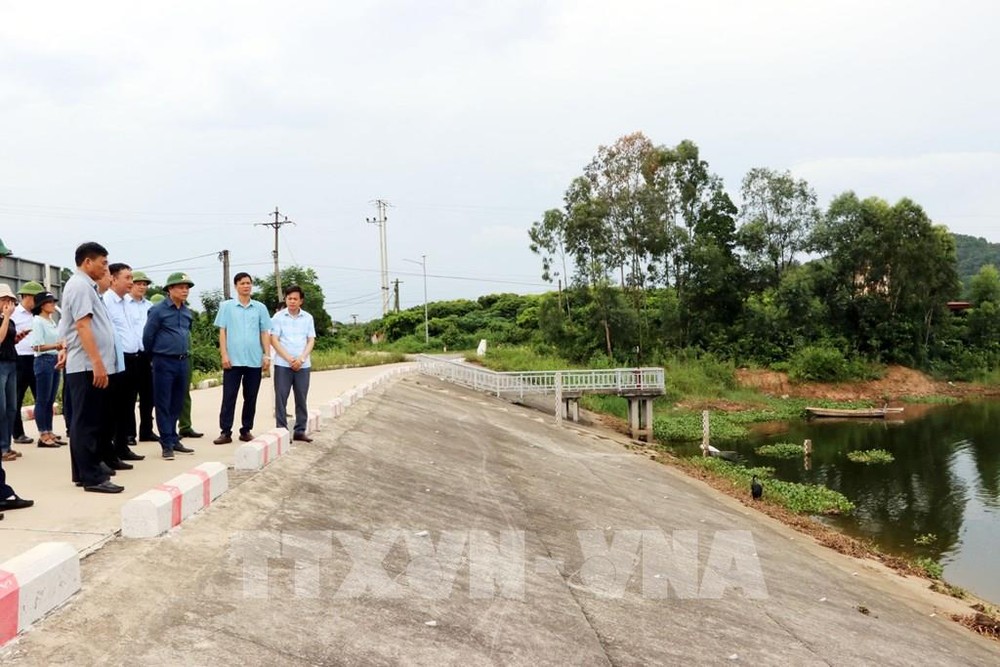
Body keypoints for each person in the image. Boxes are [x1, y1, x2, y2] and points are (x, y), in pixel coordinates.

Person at [61, 242, 124, 493]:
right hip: (87, 365)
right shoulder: (79, 286)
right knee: (86, 423)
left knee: (87, 421)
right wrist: (97, 363)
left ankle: (84, 471)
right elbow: (83, 326)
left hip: (89, 364)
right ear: (88, 262)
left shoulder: (87, 287)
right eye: (103, 263)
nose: (105, 267)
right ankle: (92, 477)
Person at [143, 273, 196, 460]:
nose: (185, 290)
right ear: (170, 289)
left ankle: (174, 438)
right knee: (163, 402)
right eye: (180, 287)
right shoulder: (158, 310)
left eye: (187, 287)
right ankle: (166, 443)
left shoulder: (187, 311)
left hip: (183, 361)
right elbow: (148, 336)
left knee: (177, 401)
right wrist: (152, 357)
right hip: (164, 361)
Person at [213, 272, 270, 444]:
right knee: (229, 396)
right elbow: (222, 331)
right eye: (242, 283)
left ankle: (246, 430)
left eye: (248, 283)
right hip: (233, 360)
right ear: (236, 286)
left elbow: (264, 332)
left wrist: (267, 355)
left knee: (251, 397)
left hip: (254, 360)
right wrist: (224, 354)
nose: (246, 286)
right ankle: (225, 431)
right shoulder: (226, 307)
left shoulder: (260, 308)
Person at [102, 262, 144, 463]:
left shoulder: (128, 301)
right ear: (113, 278)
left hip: (134, 359)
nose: (131, 282)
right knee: (113, 408)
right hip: (117, 360)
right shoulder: (106, 301)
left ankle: (122, 447)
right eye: (127, 278)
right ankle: (110, 452)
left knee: (127, 406)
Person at [0, 282, 34, 512]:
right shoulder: (5, 318)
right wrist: (5, 318)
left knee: (11, 408)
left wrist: (18, 336)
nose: (8, 303)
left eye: (10, 300)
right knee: (1, 408)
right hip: (0, 365)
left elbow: (8, 339)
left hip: (12, 362)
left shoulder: (9, 319)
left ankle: (6, 445)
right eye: (4, 299)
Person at [270, 285, 316, 442]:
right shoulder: (278, 318)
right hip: (283, 364)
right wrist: (289, 359)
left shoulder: (308, 318)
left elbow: (311, 340)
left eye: (295, 299)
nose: (292, 301)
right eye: (289, 298)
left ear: (301, 301)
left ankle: (300, 430)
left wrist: (301, 358)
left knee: (301, 398)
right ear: (286, 299)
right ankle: (281, 432)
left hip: (303, 365)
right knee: (281, 398)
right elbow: (274, 340)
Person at [29, 291, 65, 448]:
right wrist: (56, 345)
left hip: (54, 359)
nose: (53, 304)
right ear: (42, 305)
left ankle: (49, 431)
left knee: (50, 399)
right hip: (44, 360)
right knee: (42, 399)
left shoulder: (51, 320)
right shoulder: (37, 321)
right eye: (50, 302)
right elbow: (36, 346)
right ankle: (42, 433)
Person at [12, 280, 44, 446]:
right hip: (20, 358)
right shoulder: (14, 314)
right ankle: (18, 433)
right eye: (36, 298)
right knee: (17, 398)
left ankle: (45, 432)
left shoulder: (39, 315)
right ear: (26, 297)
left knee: (42, 396)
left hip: (38, 357)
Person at [127, 270, 158, 442]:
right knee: (130, 397)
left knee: (148, 395)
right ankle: (129, 433)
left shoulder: (149, 307)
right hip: (131, 355)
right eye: (139, 283)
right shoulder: (125, 304)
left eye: (145, 284)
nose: (142, 287)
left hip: (146, 355)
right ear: (131, 284)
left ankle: (146, 430)